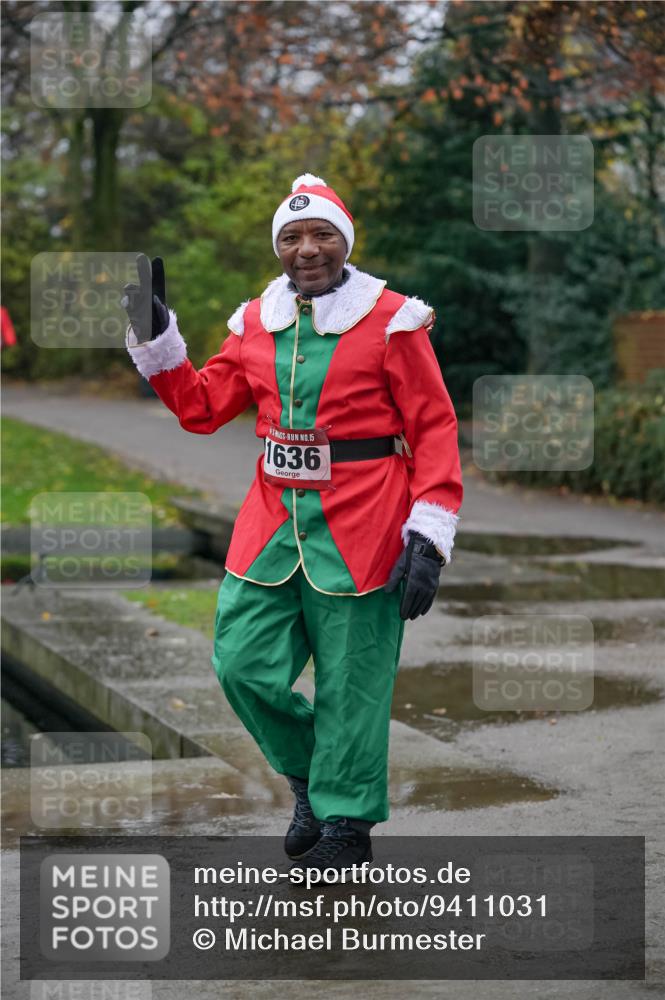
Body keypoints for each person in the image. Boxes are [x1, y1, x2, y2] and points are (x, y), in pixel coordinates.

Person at [122, 173, 463, 876]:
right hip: (272, 522)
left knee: (352, 683)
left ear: (344, 242)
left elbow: (433, 427)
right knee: (241, 663)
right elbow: (202, 407)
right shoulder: (255, 321)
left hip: (367, 522)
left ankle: (346, 822)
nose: (306, 249)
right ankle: (313, 781)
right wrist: (157, 339)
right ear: (278, 247)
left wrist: (427, 533)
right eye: (291, 237)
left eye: (321, 235)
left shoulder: (392, 320)